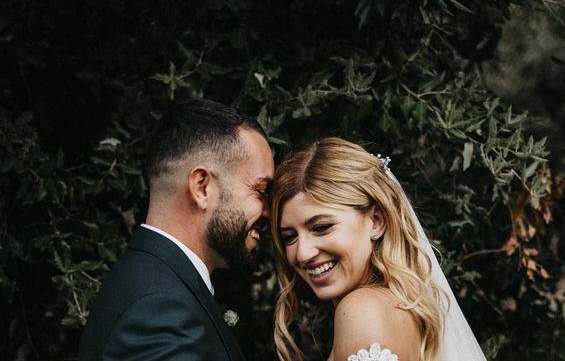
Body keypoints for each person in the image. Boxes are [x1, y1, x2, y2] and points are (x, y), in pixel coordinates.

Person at [79, 98, 274, 361]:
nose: (268, 212)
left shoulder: (152, 282)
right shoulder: (159, 309)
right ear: (202, 187)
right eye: (260, 190)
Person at [270, 137, 486, 361]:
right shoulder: (398, 307)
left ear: (376, 221)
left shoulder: (363, 311)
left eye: (322, 227)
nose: (303, 253)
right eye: (290, 237)